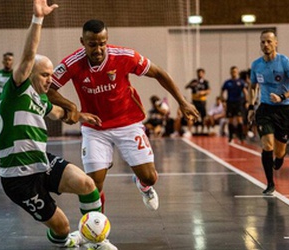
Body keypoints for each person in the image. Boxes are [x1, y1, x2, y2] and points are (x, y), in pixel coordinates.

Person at [0, 0, 117, 250]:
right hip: (19, 178)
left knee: (87, 185)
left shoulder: (40, 98)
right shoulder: (17, 90)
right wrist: (38, 19)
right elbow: (28, 56)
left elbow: (59, 113)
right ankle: (67, 239)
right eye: (43, 75)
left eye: (51, 74)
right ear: (29, 74)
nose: (50, 79)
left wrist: (79, 115)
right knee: (62, 228)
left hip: (41, 162)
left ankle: (95, 240)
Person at [47, 19, 199, 211]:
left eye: (102, 43)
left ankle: (143, 185)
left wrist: (183, 102)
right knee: (93, 186)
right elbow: (48, 88)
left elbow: (159, 73)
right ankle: (95, 232)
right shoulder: (72, 63)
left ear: (107, 40)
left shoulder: (125, 56)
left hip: (127, 123)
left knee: (150, 177)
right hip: (96, 128)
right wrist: (71, 106)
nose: (98, 49)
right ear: (82, 42)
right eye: (92, 44)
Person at [248, 29, 289, 195]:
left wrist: (282, 96)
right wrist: (251, 106)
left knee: (279, 151)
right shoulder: (256, 65)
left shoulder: (285, 62)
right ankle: (270, 183)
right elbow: (252, 87)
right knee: (267, 145)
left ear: (276, 43)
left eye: (269, 41)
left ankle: (279, 158)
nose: (265, 45)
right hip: (265, 109)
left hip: (284, 109)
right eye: (263, 42)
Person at [221, 66, 248, 142]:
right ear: (230, 72)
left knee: (239, 119)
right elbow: (222, 91)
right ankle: (230, 136)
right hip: (230, 102)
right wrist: (223, 101)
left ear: (237, 72)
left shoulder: (241, 82)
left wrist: (246, 102)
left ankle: (241, 136)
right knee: (230, 120)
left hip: (238, 102)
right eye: (233, 72)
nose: (234, 73)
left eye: (235, 71)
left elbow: (245, 92)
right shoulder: (227, 82)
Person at [185, 68, 211, 134]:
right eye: (199, 73)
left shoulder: (205, 82)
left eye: (201, 73)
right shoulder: (194, 81)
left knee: (204, 116)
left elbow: (209, 90)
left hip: (202, 102)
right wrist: (192, 85)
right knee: (192, 115)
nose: (200, 74)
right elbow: (186, 86)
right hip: (195, 102)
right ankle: (189, 131)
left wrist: (203, 92)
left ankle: (205, 130)